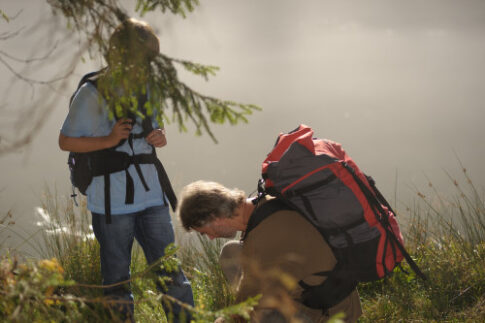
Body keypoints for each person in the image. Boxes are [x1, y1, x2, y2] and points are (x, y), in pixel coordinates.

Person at [59, 18, 194, 322]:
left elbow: (154, 128)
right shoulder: (92, 94)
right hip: (112, 203)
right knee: (118, 283)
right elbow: (65, 141)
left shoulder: (149, 87)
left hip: (151, 196)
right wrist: (108, 139)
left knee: (172, 276)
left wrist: (160, 135)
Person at [178, 181, 363, 323]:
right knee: (231, 252)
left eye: (204, 232)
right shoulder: (262, 204)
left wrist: (228, 319)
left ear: (213, 218)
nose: (210, 238)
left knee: (266, 315)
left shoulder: (264, 237)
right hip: (309, 286)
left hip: (331, 310)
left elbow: (253, 297)